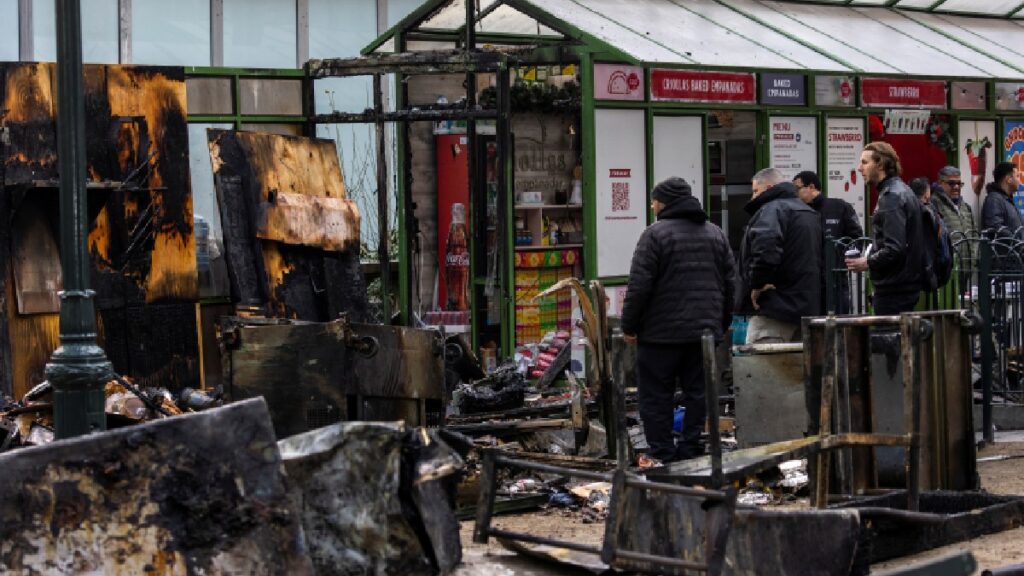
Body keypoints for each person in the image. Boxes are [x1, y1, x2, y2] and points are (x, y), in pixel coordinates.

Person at [621, 177, 736, 467]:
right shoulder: (716, 234)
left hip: (660, 336)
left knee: (656, 396)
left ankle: (661, 452)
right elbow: (731, 284)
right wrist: (720, 325)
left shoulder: (655, 235)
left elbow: (639, 286)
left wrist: (629, 326)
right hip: (703, 335)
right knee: (698, 393)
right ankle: (691, 448)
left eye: (654, 200)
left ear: (664, 202)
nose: (651, 205)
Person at [738, 167, 821, 343]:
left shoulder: (772, 210)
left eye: (755, 191)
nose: (753, 197)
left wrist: (757, 284)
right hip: (805, 307)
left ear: (768, 188)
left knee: (762, 367)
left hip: (775, 308)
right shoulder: (808, 212)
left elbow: (766, 250)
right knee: (797, 367)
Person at [845, 142, 925, 315]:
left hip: (895, 288)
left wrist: (867, 262)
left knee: (888, 338)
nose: (859, 168)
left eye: (865, 162)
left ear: (880, 164)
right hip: (903, 285)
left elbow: (894, 248)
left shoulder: (891, 197)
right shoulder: (902, 190)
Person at [794, 170, 863, 314]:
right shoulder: (798, 212)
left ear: (811, 187)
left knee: (840, 326)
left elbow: (856, 238)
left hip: (835, 282)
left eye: (798, 188)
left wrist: (843, 262)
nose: (795, 193)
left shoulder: (839, 207)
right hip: (809, 286)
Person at [931, 166, 976, 264]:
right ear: (940, 183)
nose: (956, 187)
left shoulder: (966, 207)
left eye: (959, 184)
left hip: (966, 270)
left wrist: (974, 259)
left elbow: (974, 236)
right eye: (951, 183)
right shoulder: (934, 204)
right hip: (947, 271)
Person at [981, 161, 1023, 239]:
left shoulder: (1008, 200)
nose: (1019, 181)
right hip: (1007, 250)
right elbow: (996, 228)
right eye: (1017, 176)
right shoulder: (994, 199)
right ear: (1009, 179)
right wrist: (1017, 243)